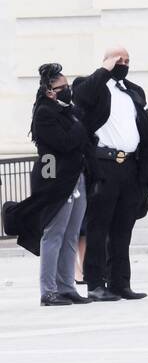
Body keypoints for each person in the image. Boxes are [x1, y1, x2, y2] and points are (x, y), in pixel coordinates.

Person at [72, 48, 148, 301]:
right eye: (117, 60)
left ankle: (120, 282)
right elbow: (80, 96)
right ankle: (95, 283)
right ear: (105, 61)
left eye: (126, 61)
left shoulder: (132, 90)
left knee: (123, 229)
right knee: (98, 228)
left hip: (130, 167)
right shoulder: (91, 85)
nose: (122, 64)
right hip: (104, 165)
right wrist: (105, 70)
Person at [1, 64, 94, 306]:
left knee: (72, 234)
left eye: (68, 86)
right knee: (55, 233)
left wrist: (78, 125)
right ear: (50, 91)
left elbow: (83, 141)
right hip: (57, 181)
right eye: (61, 88)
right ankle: (48, 290)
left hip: (77, 177)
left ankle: (66, 287)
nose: (67, 91)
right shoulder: (45, 113)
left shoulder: (69, 112)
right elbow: (65, 143)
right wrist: (79, 125)